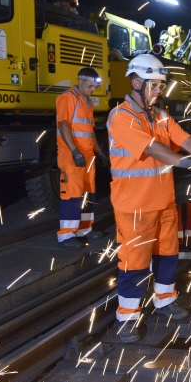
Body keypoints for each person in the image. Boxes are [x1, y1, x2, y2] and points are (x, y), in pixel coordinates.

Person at [107, 54, 191, 343]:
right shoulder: (121, 117)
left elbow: (186, 140)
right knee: (134, 262)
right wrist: (185, 163)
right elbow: (150, 148)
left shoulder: (160, 116)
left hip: (163, 202)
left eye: (160, 86)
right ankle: (127, 318)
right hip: (134, 206)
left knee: (168, 254)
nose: (158, 91)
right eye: (154, 85)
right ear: (136, 83)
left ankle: (164, 300)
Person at [56, 67, 108, 249]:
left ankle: (84, 229)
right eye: (91, 86)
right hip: (71, 156)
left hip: (87, 157)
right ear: (81, 81)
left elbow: (89, 129)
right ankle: (66, 235)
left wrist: (99, 151)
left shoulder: (86, 101)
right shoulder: (67, 98)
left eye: (95, 87)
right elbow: (63, 125)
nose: (93, 90)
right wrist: (74, 151)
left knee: (87, 194)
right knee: (72, 194)